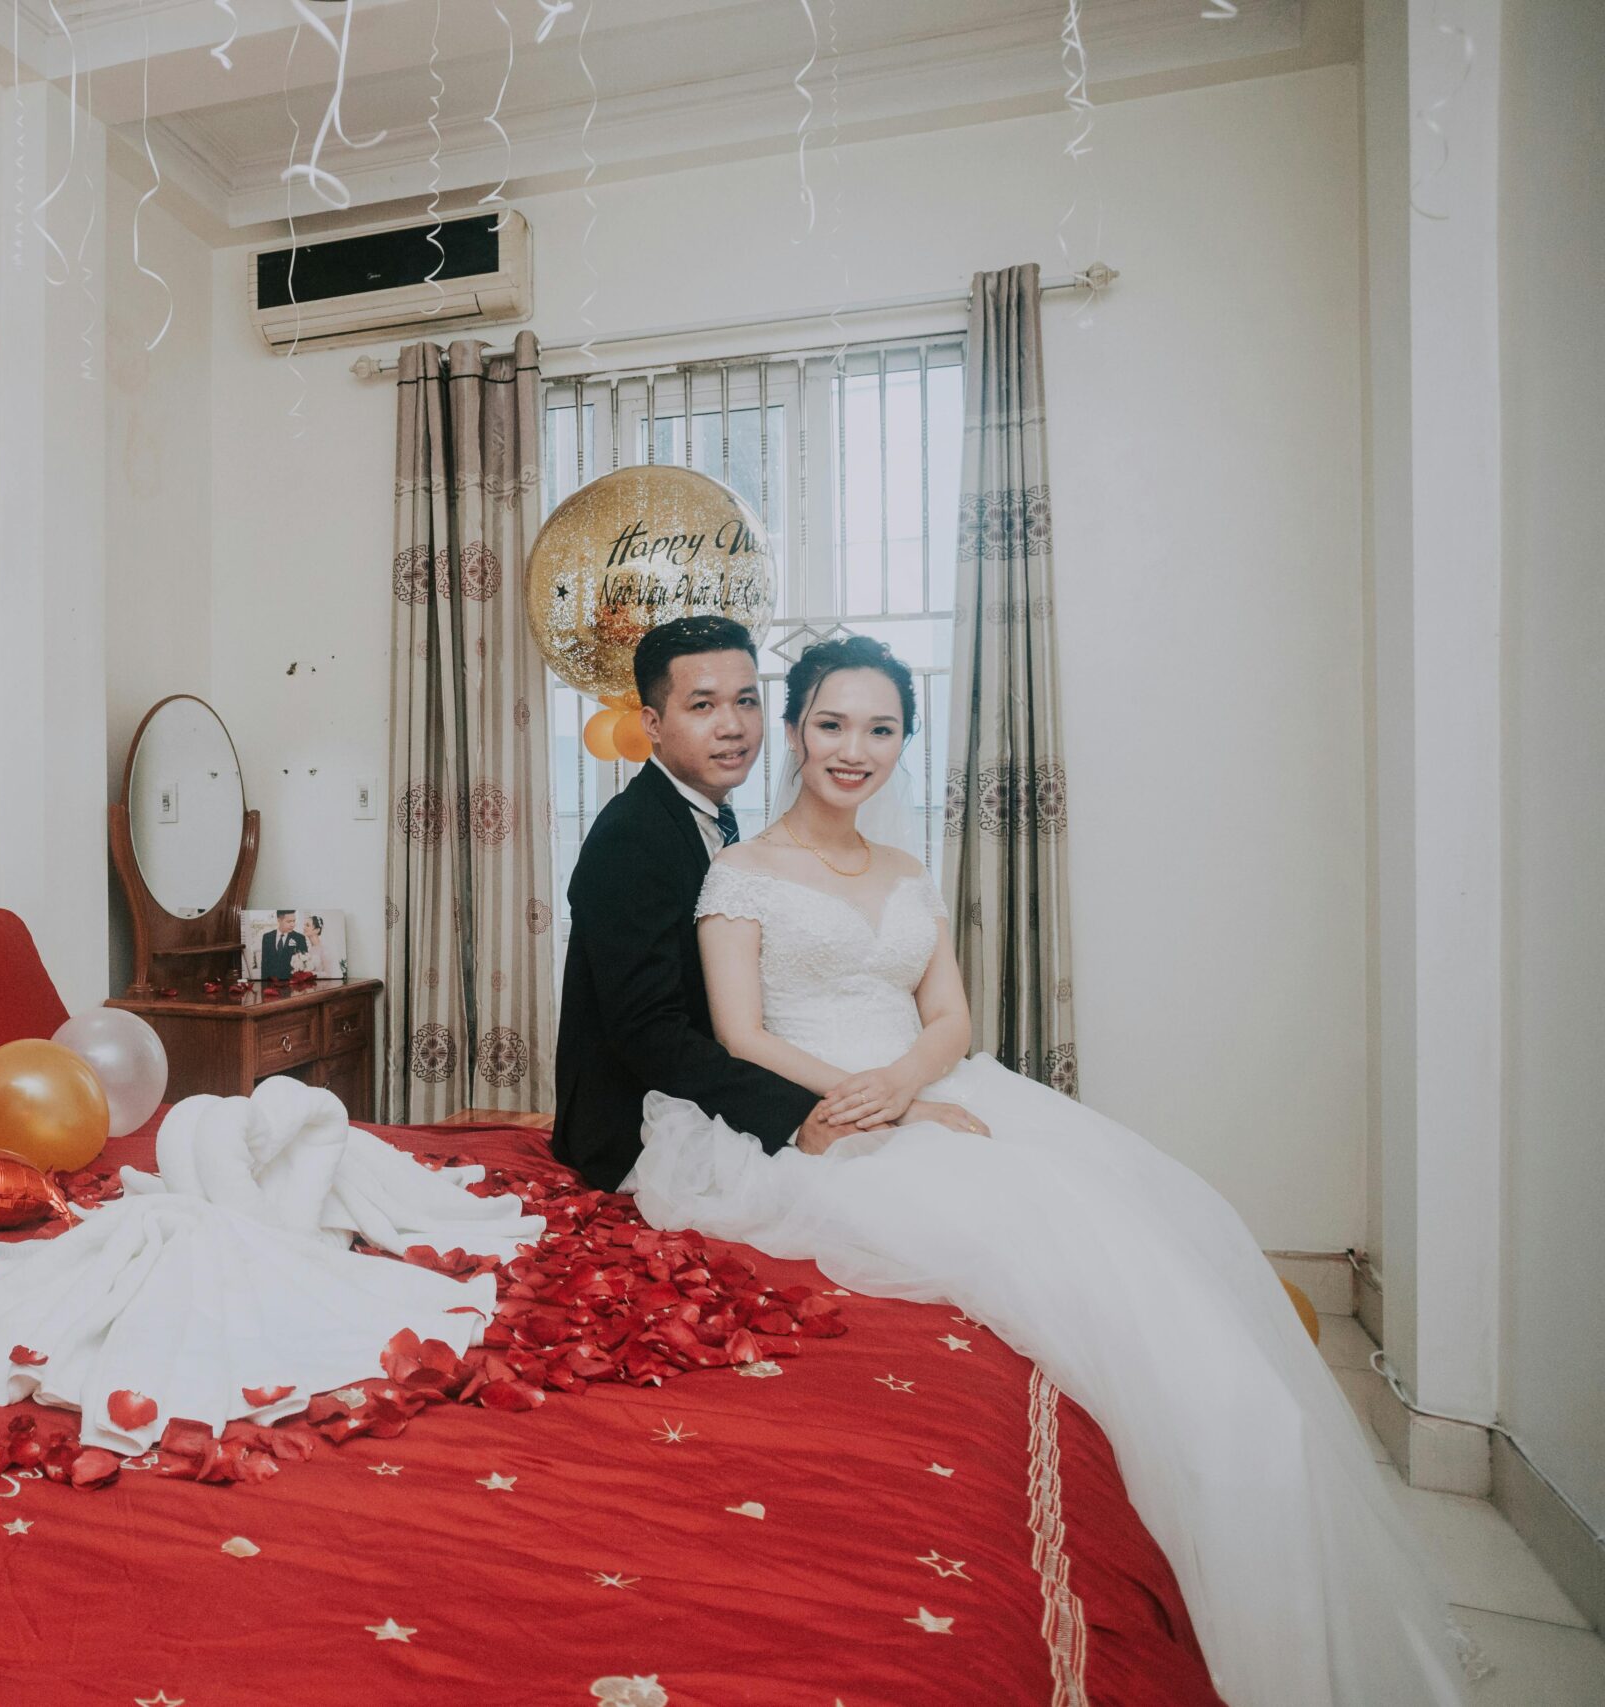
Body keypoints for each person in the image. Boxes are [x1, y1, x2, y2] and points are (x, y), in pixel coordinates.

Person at [627, 631, 1467, 1707]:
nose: (854, 749)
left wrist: (919, 1081)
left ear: (901, 743)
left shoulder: (904, 869)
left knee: (1151, 1245)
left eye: (880, 729)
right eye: (831, 724)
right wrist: (877, 1097)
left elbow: (949, 1013)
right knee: (1034, 1253)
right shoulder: (738, 872)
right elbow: (741, 1035)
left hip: (940, 1088)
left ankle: (1252, 1521)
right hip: (830, 1111)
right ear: (794, 731)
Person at [553, 615, 838, 1191]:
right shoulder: (631, 837)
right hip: (636, 1128)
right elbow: (649, 1034)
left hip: (706, 1091)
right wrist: (796, 1116)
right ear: (653, 724)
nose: (733, 727)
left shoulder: (709, 818)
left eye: (746, 701)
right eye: (703, 706)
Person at [258, 910, 310, 982]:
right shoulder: (267, 937)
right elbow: (264, 964)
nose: (292, 924)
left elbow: (304, 965)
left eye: (294, 921)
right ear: (279, 920)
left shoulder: (299, 938)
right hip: (272, 984)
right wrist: (264, 985)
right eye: (289, 921)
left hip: (292, 984)